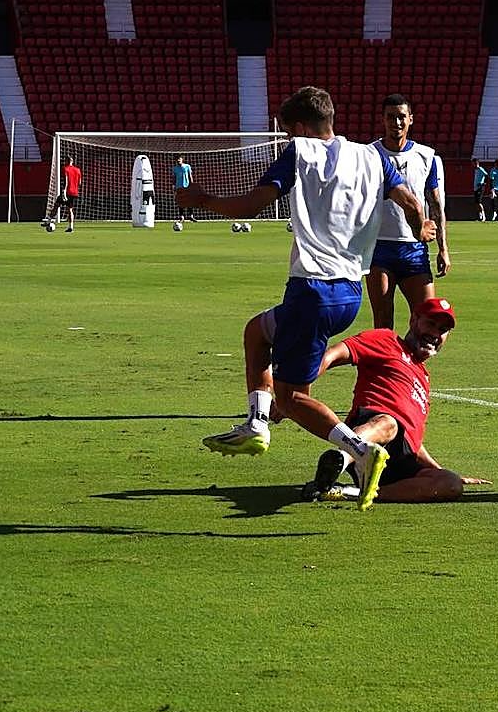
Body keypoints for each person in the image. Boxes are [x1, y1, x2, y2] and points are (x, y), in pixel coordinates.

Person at [177, 86, 436, 511]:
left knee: (292, 398)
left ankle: (360, 448)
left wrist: (204, 200)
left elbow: (250, 207)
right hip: (349, 290)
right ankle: (256, 423)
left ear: (298, 127)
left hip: (312, 288)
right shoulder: (372, 156)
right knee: (257, 332)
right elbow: (408, 197)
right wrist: (419, 224)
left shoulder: (299, 151)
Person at [300, 297, 488, 503]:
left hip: (400, 457)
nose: (435, 334)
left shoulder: (423, 379)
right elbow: (333, 355)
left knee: (450, 484)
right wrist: (296, 393)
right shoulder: (386, 340)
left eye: (442, 330)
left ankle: (350, 492)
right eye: (431, 324)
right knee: (389, 424)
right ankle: (340, 460)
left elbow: (414, 442)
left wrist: (438, 470)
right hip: (370, 431)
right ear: (414, 319)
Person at [368, 94, 451, 331]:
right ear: (383, 120)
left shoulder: (426, 156)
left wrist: (443, 249)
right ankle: (386, 368)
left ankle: (410, 367)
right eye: (391, 117)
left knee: (429, 319)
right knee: (383, 324)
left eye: (401, 117)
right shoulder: (369, 154)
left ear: (411, 119)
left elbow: (435, 205)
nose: (396, 123)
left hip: (414, 249)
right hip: (378, 248)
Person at [172, 155, 198, 223]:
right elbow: (174, 178)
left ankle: (191, 216)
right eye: (177, 159)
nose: (178, 160)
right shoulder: (175, 168)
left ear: (182, 159)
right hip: (179, 188)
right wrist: (173, 186)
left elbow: (190, 176)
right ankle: (181, 217)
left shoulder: (187, 166)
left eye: (179, 159)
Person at [60, 156, 82, 232]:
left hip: (67, 192)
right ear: (72, 161)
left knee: (58, 205)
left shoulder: (66, 169)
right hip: (74, 192)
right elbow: (79, 183)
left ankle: (49, 220)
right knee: (69, 209)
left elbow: (66, 181)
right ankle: (71, 226)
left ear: (66, 161)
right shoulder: (78, 170)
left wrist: (64, 191)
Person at [471, 157, 488, 221]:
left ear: (476, 163)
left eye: (473, 163)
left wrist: (483, 183)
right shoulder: (475, 170)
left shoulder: (480, 169)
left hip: (480, 188)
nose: (473, 164)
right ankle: (479, 216)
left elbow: (486, 175)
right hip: (475, 188)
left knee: (479, 202)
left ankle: (483, 216)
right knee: (476, 203)